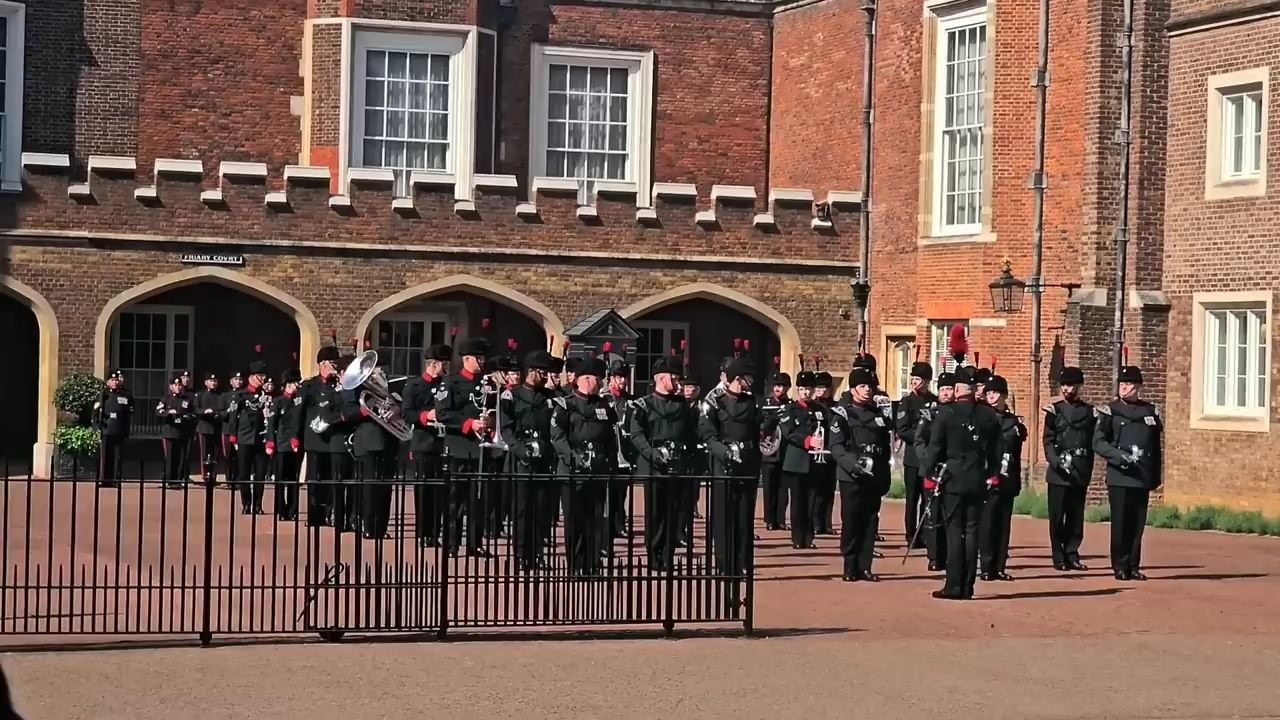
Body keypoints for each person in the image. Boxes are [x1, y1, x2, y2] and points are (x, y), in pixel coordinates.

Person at [698, 355, 772, 612]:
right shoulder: (714, 403)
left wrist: (768, 432)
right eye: (742, 379)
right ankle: (724, 564)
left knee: (744, 520)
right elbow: (708, 435)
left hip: (747, 468)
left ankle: (742, 563)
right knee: (723, 521)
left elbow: (760, 429)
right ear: (731, 379)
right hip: (723, 469)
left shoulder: (753, 402)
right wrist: (725, 451)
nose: (746, 384)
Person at [925, 367, 1001, 600]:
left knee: (954, 533)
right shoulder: (988, 415)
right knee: (972, 533)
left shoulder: (945, 414)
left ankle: (954, 585)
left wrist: (928, 473)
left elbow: (935, 448)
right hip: (977, 478)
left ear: (957, 390)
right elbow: (998, 449)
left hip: (953, 479)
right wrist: (994, 473)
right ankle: (968, 586)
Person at [1093, 363, 1162, 581]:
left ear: (1138, 386)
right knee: (1121, 524)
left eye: (1129, 384)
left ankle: (1133, 565)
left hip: (1141, 476)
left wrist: (1154, 476)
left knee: (1137, 525)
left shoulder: (1149, 412)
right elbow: (1098, 442)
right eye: (1122, 384)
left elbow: (1154, 448)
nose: (1124, 387)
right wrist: (1117, 456)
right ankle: (1120, 566)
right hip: (1120, 476)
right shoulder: (1110, 411)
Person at [551, 356, 618, 575]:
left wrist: (610, 463)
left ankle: (592, 563)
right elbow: (558, 436)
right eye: (587, 378)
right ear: (577, 379)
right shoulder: (565, 405)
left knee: (595, 519)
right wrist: (572, 457)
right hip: (572, 470)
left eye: (597, 378)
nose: (592, 382)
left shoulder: (604, 406)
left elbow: (610, 438)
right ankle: (575, 564)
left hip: (597, 469)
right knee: (574, 520)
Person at [630, 357, 697, 572]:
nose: (678, 381)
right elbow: (637, 434)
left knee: (673, 512)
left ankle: (668, 554)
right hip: (654, 466)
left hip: (677, 465)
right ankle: (654, 554)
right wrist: (652, 453)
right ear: (660, 378)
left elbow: (691, 434)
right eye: (674, 377)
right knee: (655, 514)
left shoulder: (683, 406)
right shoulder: (644, 404)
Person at [830, 365, 892, 581]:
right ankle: (849, 565)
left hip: (873, 475)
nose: (868, 390)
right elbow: (837, 447)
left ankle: (865, 566)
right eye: (863, 386)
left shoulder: (879, 416)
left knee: (869, 521)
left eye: (870, 386)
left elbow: (885, 448)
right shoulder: (843, 415)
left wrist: (885, 474)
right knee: (851, 520)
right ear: (853, 389)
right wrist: (853, 465)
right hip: (852, 475)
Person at [435, 338, 495, 558]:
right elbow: (443, 413)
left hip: (481, 448)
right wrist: (469, 424)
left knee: (478, 500)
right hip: (460, 447)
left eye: (483, 358)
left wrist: (490, 421)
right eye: (478, 358)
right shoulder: (451, 383)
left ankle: (475, 542)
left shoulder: (488, 385)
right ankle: (451, 543)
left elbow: (495, 408)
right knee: (455, 500)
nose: (482, 362)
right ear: (467, 359)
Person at [500, 350, 558, 571]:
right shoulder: (512, 396)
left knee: (542, 510)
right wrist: (519, 450)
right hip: (520, 461)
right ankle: (523, 555)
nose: (546, 376)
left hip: (544, 459)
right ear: (531, 371)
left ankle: (538, 553)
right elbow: (506, 429)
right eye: (543, 372)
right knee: (523, 511)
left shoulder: (551, 399)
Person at [1043, 366, 1095, 571]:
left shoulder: (1089, 412)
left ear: (1079, 386)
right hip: (1058, 472)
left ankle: (1072, 552)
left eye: (1071, 385)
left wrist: (1086, 467)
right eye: (1064, 385)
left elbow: (1091, 441)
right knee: (1057, 517)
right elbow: (1048, 441)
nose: (1067, 389)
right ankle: (1058, 555)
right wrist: (1056, 461)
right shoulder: (1054, 411)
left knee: (1075, 517)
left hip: (1079, 470)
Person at [401, 343, 452, 546]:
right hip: (424, 443)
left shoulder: (447, 385)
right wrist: (426, 415)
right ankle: (423, 533)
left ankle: (435, 533)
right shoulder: (414, 386)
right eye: (445, 363)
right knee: (424, 492)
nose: (448, 366)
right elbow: (407, 414)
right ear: (434, 364)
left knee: (441, 493)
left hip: (443, 443)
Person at [979, 375, 1026, 582]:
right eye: (988, 393)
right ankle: (987, 567)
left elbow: (1016, 449)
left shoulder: (1013, 421)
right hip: (989, 478)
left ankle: (999, 566)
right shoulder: (982, 418)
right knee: (988, 523)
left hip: (1008, 478)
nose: (991, 397)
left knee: (1003, 525)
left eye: (995, 393)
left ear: (1004, 395)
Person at [779, 370, 825, 550]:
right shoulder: (791, 409)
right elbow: (788, 432)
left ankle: (809, 536)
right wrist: (808, 441)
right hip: (797, 461)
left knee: (812, 501)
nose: (807, 393)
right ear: (798, 389)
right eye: (804, 389)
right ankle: (798, 537)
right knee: (798, 502)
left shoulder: (819, 410)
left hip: (815, 461)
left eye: (809, 389)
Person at [299, 346, 343, 528]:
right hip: (315, 440)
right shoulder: (309, 386)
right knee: (315, 480)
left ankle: (330, 513)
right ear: (323, 364)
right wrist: (298, 438)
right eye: (333, 363)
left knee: (331, 479)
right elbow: (300, 414)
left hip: (332, 438)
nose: (335, 366)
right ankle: (314, 515)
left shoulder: (339, 385)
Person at [914, 371, 954, 571]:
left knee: (950, 515)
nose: (946, 393)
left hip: (951, 472)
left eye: (949, 389)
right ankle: (934, 556)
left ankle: (949, 555)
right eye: (943, 390)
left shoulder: (957, 414)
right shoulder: (930, 414)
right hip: (932, 471)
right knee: (932, 515)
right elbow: (919, 441)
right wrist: (928, 460)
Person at [896, 360, 936, 550]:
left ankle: (924, 533)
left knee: (927, 497)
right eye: (913, 378)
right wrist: (921, 438)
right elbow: (902, 429)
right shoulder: (907, 401)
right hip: (913, 457)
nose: (914, 382)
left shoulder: (934, 401)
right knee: (912, 498)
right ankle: (910, 534)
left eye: (919, 379)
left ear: (927, 381)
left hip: (929, 457)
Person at [228, 361, 271, 514]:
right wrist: (233, 436)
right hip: (245, 438)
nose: (262, 379)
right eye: (260, 376)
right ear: (252, 377)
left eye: (263, 376)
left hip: (261, 439)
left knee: (260, 474)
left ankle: (258, 504)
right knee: (244, 473)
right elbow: (233, 417)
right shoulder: (241, 395)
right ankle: (246, 503)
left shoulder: (266, 396)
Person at [267, 368, 305, 521]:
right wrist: (270, 442)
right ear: (289, 384)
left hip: (296, 445)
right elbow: (272, 424)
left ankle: (293, 510)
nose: (298, 385)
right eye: (296, 382)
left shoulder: (300, 401)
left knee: (293, 480)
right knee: (281, 480)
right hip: (282, 445)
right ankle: (281, 510)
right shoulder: (278, 402)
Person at [604, 358, 636, 538]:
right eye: (618, 377)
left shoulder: (630, 401)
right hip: (609, 451)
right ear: (611, 378)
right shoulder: (604, 398)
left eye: (624, 377)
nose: (623, 381)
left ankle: (619, 524)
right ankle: (608, 525)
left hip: (624, 452)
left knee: (622, 491)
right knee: (609, 492)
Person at [759, 367, 791, 531]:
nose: (780, 389)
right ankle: (770, 519)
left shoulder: (790, 405)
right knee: (769, 487)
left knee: (783, 488)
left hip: (785, 451)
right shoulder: (765, 404)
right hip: (769, 451)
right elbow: (762, 426)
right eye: (777, 386)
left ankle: (781, 519)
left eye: (784, 386)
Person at [94, 370, 132, 488]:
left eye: (116, 380)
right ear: (108, 382)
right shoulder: (103, 395)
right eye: (112, 380)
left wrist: (126, 430)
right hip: (106, 429)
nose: (115, 382)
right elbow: (95, 413)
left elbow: (128, 413)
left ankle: (116, 479)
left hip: (119, 429)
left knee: (117, 456)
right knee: (105, 456)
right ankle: (103, 479)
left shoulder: (125, 395)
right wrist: (97, 426)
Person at [811, 371, 837, 536]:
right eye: (818, 388)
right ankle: (815, 522)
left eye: (824, 388)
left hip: (830, 451)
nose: (821, 391)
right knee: (816, 490)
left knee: (829, 490)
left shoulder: (835, 407)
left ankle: (827, 523)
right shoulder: (813, 406)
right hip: (816, 451)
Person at [156, 375, 193, 489]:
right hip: (170, 432)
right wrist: (168, 412)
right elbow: (158, 411)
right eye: (175, 385)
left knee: (181, 457)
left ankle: (179, 479)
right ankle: (169, 480)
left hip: (182, 432)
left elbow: (192, 413)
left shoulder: (186, 399)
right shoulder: (166, 399)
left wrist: (185, 417)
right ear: (171, 386)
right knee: (170, 457)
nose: (178, 387)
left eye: (179, 385)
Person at [194, 373, 222, 486]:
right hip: (204, 427)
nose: (213, 383)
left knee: (215, 453)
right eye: (211, 381)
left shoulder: (220, 395)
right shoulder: (200, 395)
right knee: (205, 453)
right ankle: (205, 475)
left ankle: (213, 474)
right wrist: (205, 412)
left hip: (216, 427)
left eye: (215, 381)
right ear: (206, 383)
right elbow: (195, 409)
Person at [220, 372, 244, 488]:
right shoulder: (225, 396)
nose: (238, 381)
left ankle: (239, 479)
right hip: (228, 429)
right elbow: (220, 414)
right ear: (231, 381)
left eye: (240, 379)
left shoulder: (245, 395)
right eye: (235, 379)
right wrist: (229, 411)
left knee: (240, 456)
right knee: (229, 456)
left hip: (241, 430)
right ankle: (229, 480)